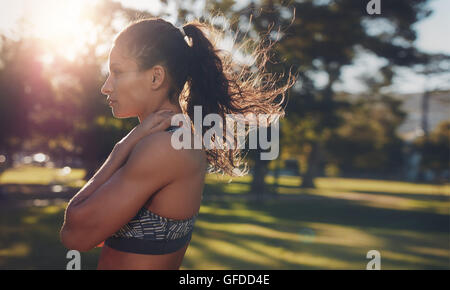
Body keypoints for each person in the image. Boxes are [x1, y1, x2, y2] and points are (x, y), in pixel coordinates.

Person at [59, 17, 294, 270]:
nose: (106, 87)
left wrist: (121, 149)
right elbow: (100, 232)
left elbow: (75, 235)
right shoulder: (174, 138)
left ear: (155, 77)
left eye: (117, 73)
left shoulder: (165, 146)